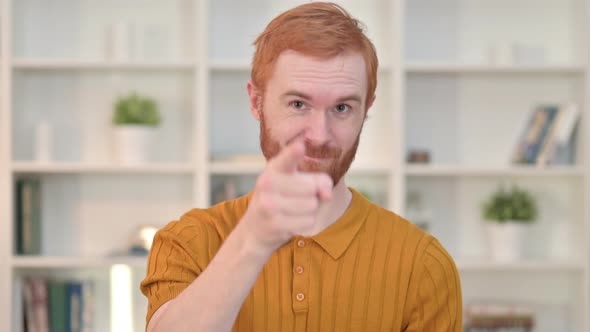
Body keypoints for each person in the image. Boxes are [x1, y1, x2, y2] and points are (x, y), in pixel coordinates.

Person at [140, 2, 462, 331]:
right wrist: (254, 240)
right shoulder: (187, 242)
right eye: (298, 104)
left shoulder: (424, 266)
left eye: (342, 107)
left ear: (366, 108)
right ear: (256, 101)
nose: (319, 135)